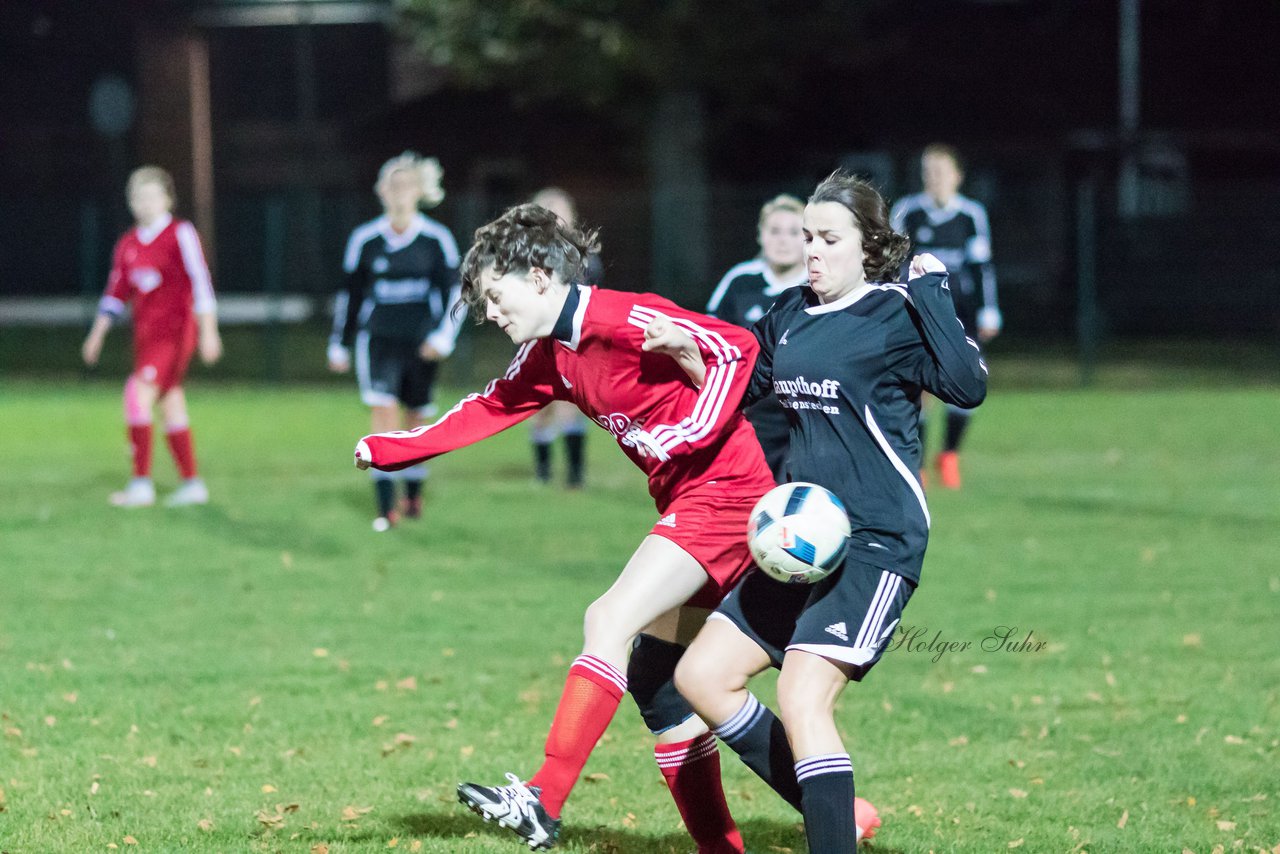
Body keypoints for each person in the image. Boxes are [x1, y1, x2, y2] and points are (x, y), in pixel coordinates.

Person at [353, 203, 777, 852]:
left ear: (540, 277)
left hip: (727, 496)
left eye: (497, 296)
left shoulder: (623, 316)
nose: (491, 314)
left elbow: (735, 348)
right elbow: (488, 409)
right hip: (693, 504)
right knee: (661, 686)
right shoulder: (549, 356)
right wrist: (394, 449)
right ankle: (819, 811)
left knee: (607, 619)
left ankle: (542, 800)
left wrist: (687, 433)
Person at [647, 171, 988, 853]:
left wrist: (933, 290)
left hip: (875, 541)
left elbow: (966, 384)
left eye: (829, 239)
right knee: (701, 677)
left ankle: (830, 822)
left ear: (868, 245)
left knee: (803, 696)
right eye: (807, 237)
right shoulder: (791, 314)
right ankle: (832, 811)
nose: (813, 251)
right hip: (798, 538)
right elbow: (741, 390)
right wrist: (685, 356)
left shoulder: (895, 310)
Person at [329, 152, 463, 531]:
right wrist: (339, 343)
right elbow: (350, 296)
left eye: (405, 184)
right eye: (391, 184)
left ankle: (413, 497)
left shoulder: (436, 239)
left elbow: (456, 293)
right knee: (383, 418)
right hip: (378, 341)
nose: (398, 192)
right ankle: (385, 508)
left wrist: (443, 336)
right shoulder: (366, 240)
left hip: (420, 342)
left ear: (419, 191)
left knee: (415, 420)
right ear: (381, 192)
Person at [81, 166, 221, 507]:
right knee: (171, 403)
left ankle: (141, 484)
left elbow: (201, 282)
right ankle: (192, 484)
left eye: (151, 195)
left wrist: (209, 331)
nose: (145, 203)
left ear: (167, 199)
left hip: (175, 334)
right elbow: (116, 293)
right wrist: (97, 334)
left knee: (136, 395)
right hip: (146, 337)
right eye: (138, 197)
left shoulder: (180, 233)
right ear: (130, 202)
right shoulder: (128, 243)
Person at [890, 143, 999, 489]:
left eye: (941, 172)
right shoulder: (908, 211)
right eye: (928, 173)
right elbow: (891, 263)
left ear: (957, 176)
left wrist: (989, 310)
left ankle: (949, 454)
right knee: (919, 388)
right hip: (918, 311)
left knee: (968, 380)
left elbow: (982, 266)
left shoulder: (971, 215)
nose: (934, 179)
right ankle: (917, 464)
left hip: (961, 312)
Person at [705, 194, 807, 481]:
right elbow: (711, 343)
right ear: (761, 235)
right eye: (774, 231)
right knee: (751, 498)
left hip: (808, 413)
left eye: (793, 232)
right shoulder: (740, 281)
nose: (783, 240)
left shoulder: (818, 284)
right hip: (753, 415)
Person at [524, 188, 602, 488]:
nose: (554, 217)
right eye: (546, 210)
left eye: (559, 210)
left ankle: (574, 473)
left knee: (570, 402)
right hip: (537, 338)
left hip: (572, 339)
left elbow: (590, 295)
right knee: (540, 405)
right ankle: (543, 473)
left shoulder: (583, 255)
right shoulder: (525, 255)